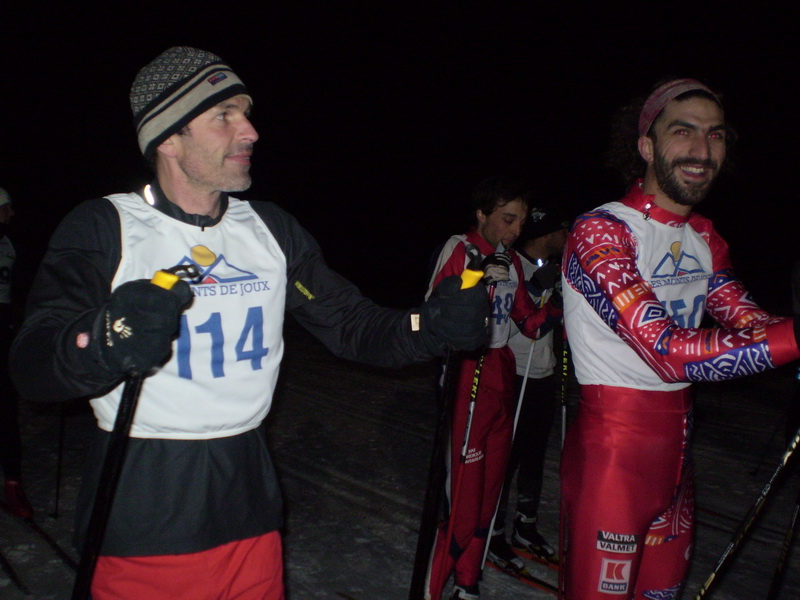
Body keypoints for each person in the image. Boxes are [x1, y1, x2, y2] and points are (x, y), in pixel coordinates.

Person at [9, 47, 490, 600]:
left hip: (250, 502)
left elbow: (354, 325)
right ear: (168, 137)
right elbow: (34, 362)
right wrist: (104, 337)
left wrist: (427, 326)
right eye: (225, 115)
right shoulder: (105, 225)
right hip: (144, 506)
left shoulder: (268, 229)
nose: (251, 131)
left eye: (246, 112)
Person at [560, 78, 800, 600]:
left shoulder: (704, 237)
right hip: (613, 465)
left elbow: (749, 323)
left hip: (676, 468)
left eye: (715, 135)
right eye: (684, 132)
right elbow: (667, 354)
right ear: (646, 146)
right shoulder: (601, 231)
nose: (702, 149)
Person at [424, 176, 561, 600]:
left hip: (502, 369)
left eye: (520, 221)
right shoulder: (459, 248)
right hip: (468, 373)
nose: (515, 230)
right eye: (506, 219)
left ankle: (468, 582)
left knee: (489, 491)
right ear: (481, 215)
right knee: (463, 496)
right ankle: (433, 585)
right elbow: (433, 312)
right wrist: (476, 277)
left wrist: (556, 300)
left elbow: (530, 324)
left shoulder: (513, 261)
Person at [486, 205, 570, 571]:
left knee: (535, 456)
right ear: (546, 233)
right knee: (507, 459)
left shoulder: (555, 265)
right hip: (514, 371)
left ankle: (526, 525)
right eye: (562, 230)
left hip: (542, 372)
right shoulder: (512, 263)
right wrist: (543, 292)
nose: (567, 236)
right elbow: (520, 317)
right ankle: (492, 532)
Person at [0, 187, 32, 519]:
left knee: (7, 409)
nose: (11, 214)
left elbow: (19, 288)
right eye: (5, 208)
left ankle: (13, 484)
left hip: (3, 329)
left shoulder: (10, 245)